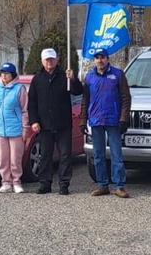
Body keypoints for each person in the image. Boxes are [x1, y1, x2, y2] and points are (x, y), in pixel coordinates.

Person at [27, 47, 83, 194]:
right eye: (47, 60)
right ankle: (45, 183)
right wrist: (33, 121)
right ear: (42, 61)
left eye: (52, 59)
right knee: (45, 156)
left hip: (63, 124)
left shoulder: (65, 76)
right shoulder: (37, 79)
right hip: (44, 125)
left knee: (65, 155)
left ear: (56, 60)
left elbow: (78, 91)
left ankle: (64, 184)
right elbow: (32, 102)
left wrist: (73, 79)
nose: (49, 62)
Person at [81, 49, 132, 198]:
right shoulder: (89, 77)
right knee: (98, 155)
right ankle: (102, 184)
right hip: (96, 120)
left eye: (102, 57)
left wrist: (124, 118)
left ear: (107, 59)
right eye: (97, 58)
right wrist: (83, 121)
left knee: (116, 154)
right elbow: (85, 101)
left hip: (113, 120)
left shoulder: (117, 74)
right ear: (94, 60)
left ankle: (119, 185)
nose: (99, 60)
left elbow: (126, 98)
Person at [0, 62, 30, 193]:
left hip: (15, 128)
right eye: (2, 73)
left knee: (15, 157)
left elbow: (25, 110)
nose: (4, 75)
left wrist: (25, 127)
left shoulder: (20, 89)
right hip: (0, 129)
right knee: (2, 157)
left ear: (12, 75)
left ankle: (16, 182)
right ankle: (6, 182)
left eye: (7, 73)